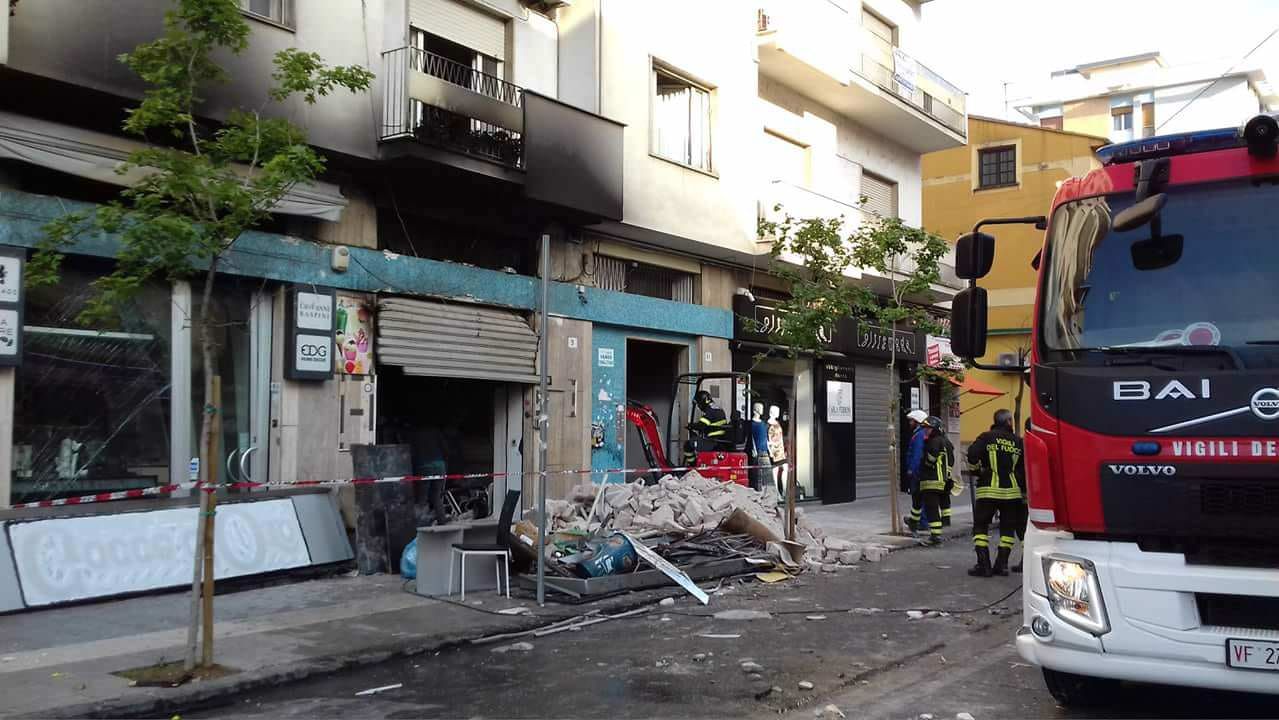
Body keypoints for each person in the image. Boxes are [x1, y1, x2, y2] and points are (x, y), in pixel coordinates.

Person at [966, 409, 1026, 576]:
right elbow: (1023, 467)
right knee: (1007, 529)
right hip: (1012, 493)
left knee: (980, 526)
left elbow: (972, 454)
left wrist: (977, 471)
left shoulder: (986, 437)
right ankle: (1002, 564)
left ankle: (983, 565)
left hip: (988, 491)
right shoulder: (1018, 441)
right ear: (1008, 422)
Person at [918, 416, 953, 546]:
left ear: (935, 429)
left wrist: (926, 463)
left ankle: (935, 537)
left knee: (931, 509)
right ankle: (944, 522)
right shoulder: (947, 442)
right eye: (925, 428)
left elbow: (931, 459)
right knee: (942, 504)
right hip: (944, 480)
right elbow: (951, 461)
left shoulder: (933, 442)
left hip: (931, 480)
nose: (926, 431)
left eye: (928, 428)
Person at [684, 389, 730, 465]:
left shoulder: (710, 411)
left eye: (699, 404)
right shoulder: (717, 408)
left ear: (704, 401)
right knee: (696, 439)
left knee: (688, 445)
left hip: (713, 442)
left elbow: (701, 425)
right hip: (719, 440)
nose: (699, 407)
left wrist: (690, 425)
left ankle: (693, 465)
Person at [902, 409, 928, 533]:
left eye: (911, 421)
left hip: (917, 472)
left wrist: (912, 469)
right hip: (920, 471)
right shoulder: (920, 433)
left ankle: (922, 522)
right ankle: (919, 521)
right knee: (919, 498)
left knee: (918, 498)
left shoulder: (919, 435)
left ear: (917, 421)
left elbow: (917, 454)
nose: (910, 423)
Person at [746, 402, 771, 492]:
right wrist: (753, 449)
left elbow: (765, 437)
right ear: (755, 409)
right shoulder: (751, 424)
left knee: (767, 475)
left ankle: (766, 492)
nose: (762, 409)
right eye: (760, 407)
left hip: (765, 451)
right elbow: (751, 438)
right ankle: (758, 491)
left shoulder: (763, 423)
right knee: (757, 475)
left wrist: (769, 449)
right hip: (757, 451)